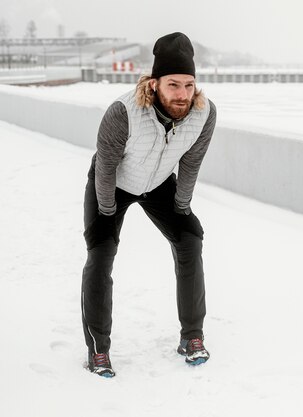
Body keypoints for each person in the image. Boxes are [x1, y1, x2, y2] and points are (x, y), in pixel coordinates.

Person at [81, 32, 217, 377]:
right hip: (112, 184)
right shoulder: (123, 112)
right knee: (101, 252)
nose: (183, 94)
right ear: (154, 83)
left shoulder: (204, 114)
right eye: (173, 84)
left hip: (157, 184)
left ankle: (192, 337)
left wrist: (182, 208)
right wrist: (107, 215)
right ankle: (99, 350)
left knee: (190, 239)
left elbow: (190, 164)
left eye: (189, 85)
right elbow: (107, 166)